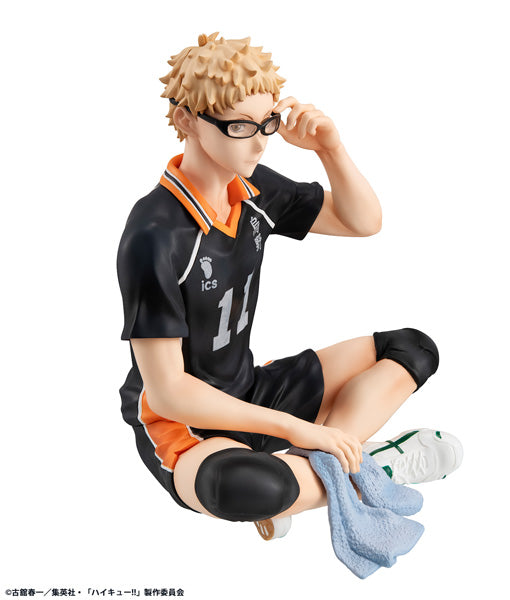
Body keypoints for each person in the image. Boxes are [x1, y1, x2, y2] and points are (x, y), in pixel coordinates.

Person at [117, 33, 461, 540]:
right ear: (187, 120)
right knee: (246, 487)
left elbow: (363, 221)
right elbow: (169, 394)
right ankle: (371, 467)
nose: (259, 142)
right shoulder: (154, 233)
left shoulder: (254, 187)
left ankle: (323, 469)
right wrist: (298, 429)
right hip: (185, 424)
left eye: (268, 124)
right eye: (239, 126)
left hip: (250, 390)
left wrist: (330, 148)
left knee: (412, 349)